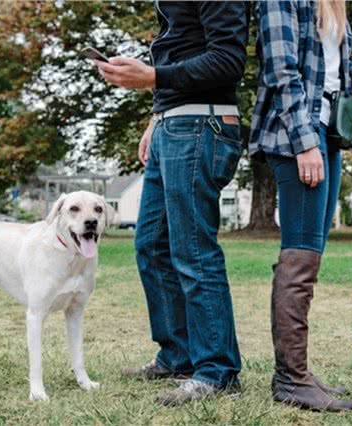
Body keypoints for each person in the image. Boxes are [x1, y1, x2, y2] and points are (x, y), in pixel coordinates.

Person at [250, 0, 352, 412]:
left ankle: (295, 372)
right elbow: (281, 72)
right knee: (300, 256)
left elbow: (341, 78)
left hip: (328, 136)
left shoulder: (332, 6)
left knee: (308, 257)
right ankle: (291, 378)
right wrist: (305, 142)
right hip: (298, 138)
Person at [94, 1, 249, 406]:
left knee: (193, 251)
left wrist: (153, 77)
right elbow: (182, 51)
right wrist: (155, 118)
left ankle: (216, 371)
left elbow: (228, 60)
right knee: (152, 245)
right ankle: (178, 357)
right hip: (173, 124)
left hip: (201, 125)